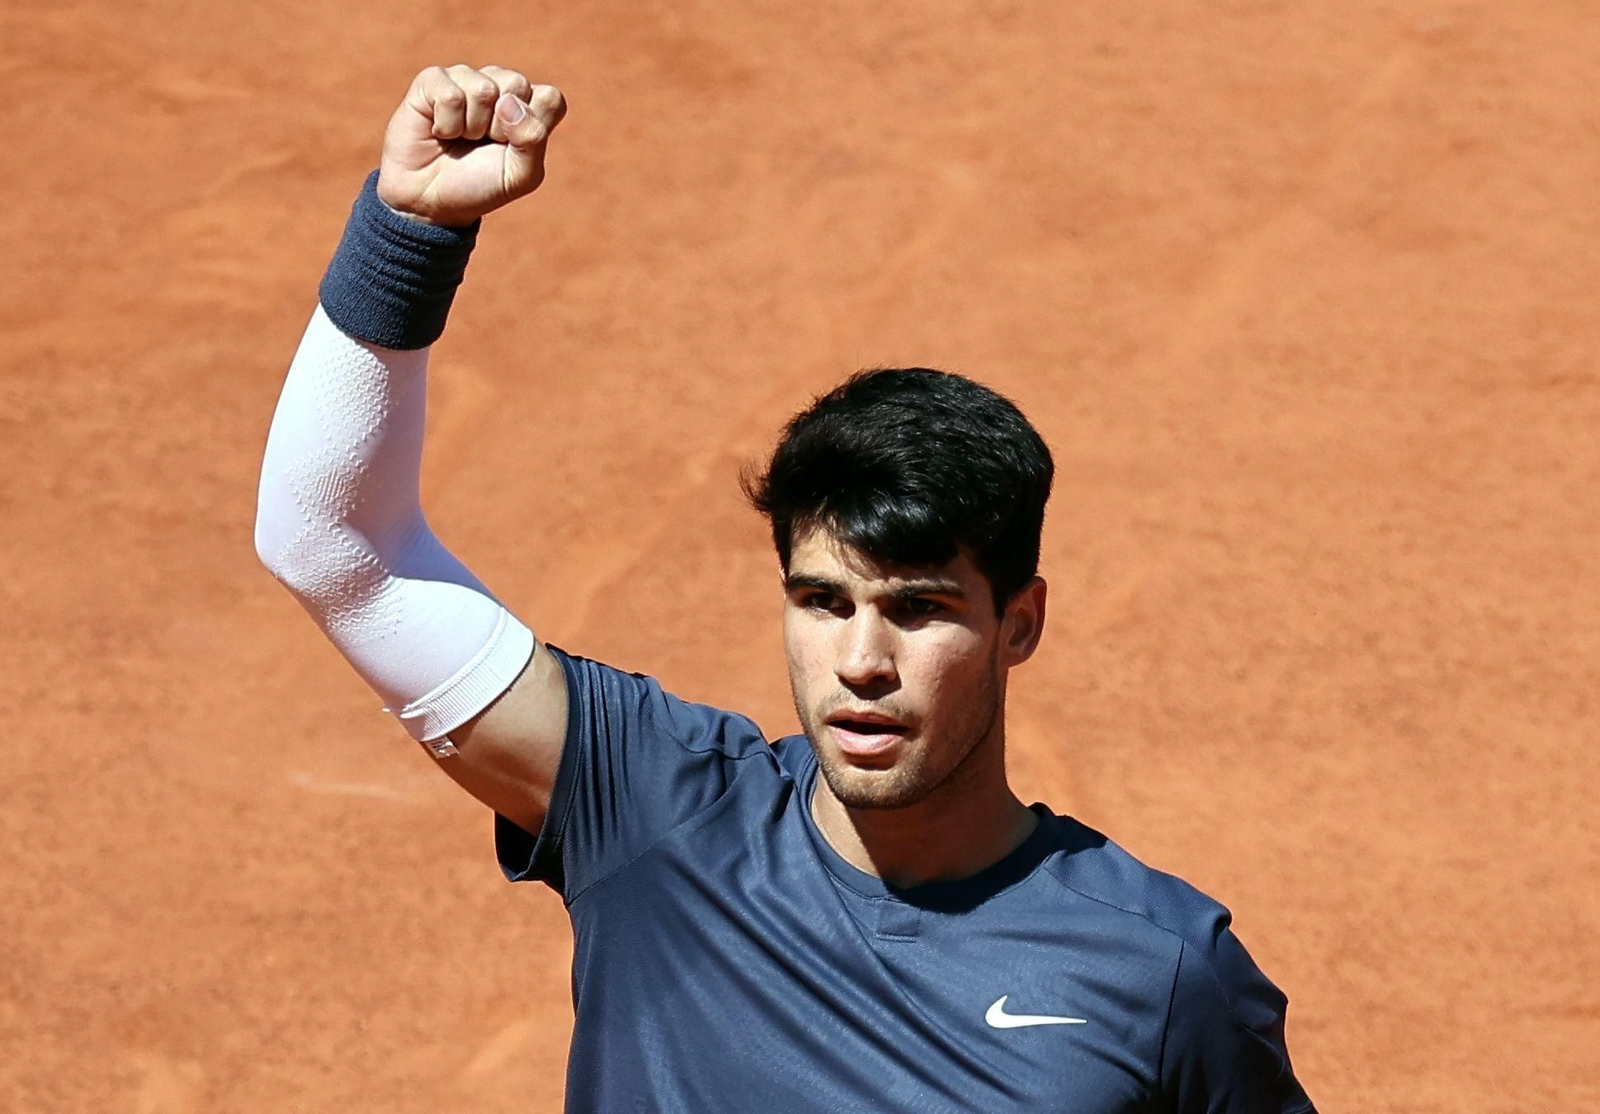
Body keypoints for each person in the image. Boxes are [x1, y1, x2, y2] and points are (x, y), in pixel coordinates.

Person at [255, 63, 1316, 1113]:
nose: (861, 662)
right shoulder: (655, 814)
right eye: (823, 602)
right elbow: (334, 545)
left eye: (919, 608)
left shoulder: (1160, 976)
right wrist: (409, 231)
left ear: (1020, 623)